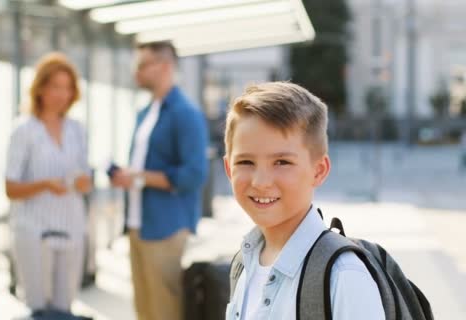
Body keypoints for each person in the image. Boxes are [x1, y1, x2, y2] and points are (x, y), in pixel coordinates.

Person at [224, 82, 384, 319]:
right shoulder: (244, 263)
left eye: (282, 162)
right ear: (228, 168)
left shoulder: (343, 276)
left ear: (318, 171)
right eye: (246, 162)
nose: (261, 181)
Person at [110, 41, 208, 320]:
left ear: (165, 67)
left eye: (142, 65)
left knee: (165, 310)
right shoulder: (146, 112)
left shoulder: (185, 113)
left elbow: (194, 174)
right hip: (138, 224)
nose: (135, 72)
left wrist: (139, 177)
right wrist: (129, 176)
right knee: (144, 310)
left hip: (166, 226)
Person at [5, 52, 92, 312]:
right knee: (38, 308)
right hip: (34, 231)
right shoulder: (23, 130)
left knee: (65, 308)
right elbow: (10, 188)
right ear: (40, 88)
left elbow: (85, 179)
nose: (62, 94)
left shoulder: (77, 130)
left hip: (71, 227)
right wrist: (44, 185)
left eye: (67, 88)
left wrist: (84, 183)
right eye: (55, 86)